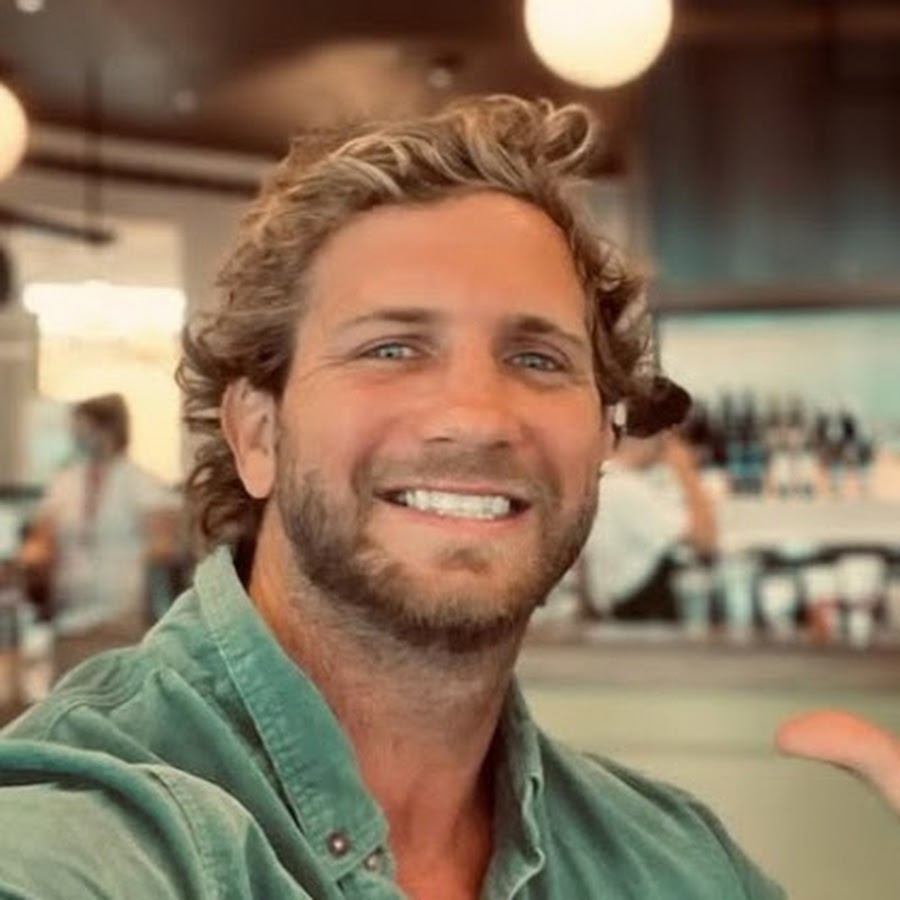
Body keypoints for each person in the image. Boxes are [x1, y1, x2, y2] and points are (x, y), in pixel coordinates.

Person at [0, 95, 894, 898]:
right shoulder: (89, 831)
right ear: (257, 434)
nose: (476, 416)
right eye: (391, 349)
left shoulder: (678, 865)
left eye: (537, 358)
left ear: (604, 438)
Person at [19, 393, 181, 669]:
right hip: (69, 619)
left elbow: (164, 547)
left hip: (122, 621)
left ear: (109, 429)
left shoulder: (142, 484)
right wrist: (33, 560)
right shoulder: (64, 483)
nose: (78, 435)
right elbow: (41, 540)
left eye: (84, 427)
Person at [580, 380, 717, 621]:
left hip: (628, 613)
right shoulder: (625, 490)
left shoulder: (612, 478)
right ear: (664, 434)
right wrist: (686, 471)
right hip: (639, 618)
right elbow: (706, 541)